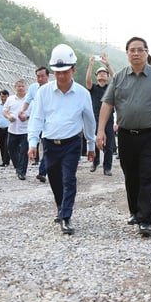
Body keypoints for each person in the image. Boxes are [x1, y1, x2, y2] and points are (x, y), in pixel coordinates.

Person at [96, 36, 151, 237]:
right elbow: (107, 104)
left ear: (146, 52)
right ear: (127, 54)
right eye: (132, 50)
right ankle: (134, 211)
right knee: (130, 174)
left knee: (148, 174)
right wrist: (100, 131)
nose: (136, 53)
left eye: (140, 50)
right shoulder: (119, 78)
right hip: (126, 135)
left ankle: (145, 219)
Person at [28, 44, 96, 235]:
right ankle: (61, 207)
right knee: (54, 179)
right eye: (57, 72)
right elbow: (37, 118)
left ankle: (66, 216)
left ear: (73, 70)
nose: (61, 76)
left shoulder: (82, 94)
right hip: (50, 144)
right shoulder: (43, 93)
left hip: (72, 143)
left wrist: (91, 144)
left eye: (65, 72)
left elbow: (89, 121)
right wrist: (33, 143)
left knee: (68, 179)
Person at [85, 54, 115, 176]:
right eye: (100, 73)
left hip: (109, 120)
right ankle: (95, 162)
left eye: (104, 73)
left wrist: (107, 64)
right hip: (95, 119)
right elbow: (87, 81)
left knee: (109, 145)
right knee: (95, 142)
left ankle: (107, 167)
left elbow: (117, 78)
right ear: (96, 77)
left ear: (107, 77)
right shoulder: (93, 88)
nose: (102, 74)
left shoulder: (111, 88)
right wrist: (91, 65)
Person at [20, 67, 49, 180]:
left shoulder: (52, 88)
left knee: (47, 147)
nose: (40, 78)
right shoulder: (33, 88)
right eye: (38, 76)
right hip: (36, 122)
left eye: (42, 76)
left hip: (48, 124)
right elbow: (27, 101)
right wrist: (22, 111)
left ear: (48, 76)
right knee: (29, 145)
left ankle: (42, 172)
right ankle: (22, 171)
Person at [3, 79, 29, 180]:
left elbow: (34, 113)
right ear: (15, 87)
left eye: (22, 86)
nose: (21, 88)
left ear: (26, 87)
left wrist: (26, 117)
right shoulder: (10, 99)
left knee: (24, 151)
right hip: (13, 129)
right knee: (11, 149)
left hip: (25, 130)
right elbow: (4, 111)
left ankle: (22, 172)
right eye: (19, 86)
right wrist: (8, 117)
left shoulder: (29, 99)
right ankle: (18, 167)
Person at [0, 89, 11, 167]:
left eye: (4, 96)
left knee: (7, 145)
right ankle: (4, 160)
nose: (3, 98)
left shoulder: (11, 105)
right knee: (1, 145)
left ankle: (6, 161)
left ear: (8, 96)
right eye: (1, 96)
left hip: (8, 128)